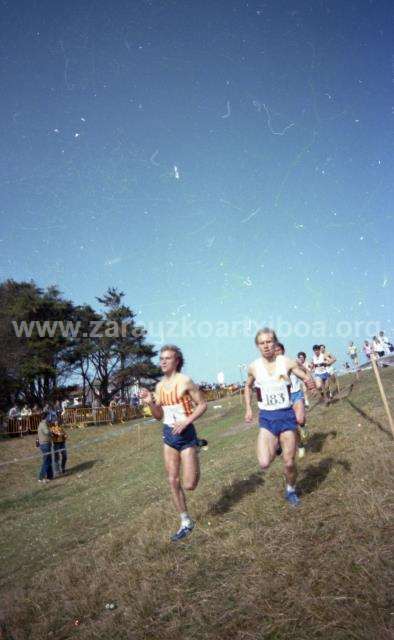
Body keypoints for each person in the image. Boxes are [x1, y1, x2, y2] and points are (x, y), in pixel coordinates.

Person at [139, 344, 207, 541]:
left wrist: (187, 420)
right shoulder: (159, 387)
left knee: (190, 484)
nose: (163, 361)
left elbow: (202, 405)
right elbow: (159, 415)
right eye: (161, 358)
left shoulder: (185, 381)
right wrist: (150, 403)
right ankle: (185, 521)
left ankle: (196, 448)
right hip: (169, 435)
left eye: (167, 358)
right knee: (172, 480)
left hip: (186, 435)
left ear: (176, 361)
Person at [244, 328, 316, 507]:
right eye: (262, 343)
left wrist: (309, 380)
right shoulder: (254, 367)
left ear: (275, 343)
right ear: (257, 346)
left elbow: (302, 374)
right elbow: (247, 387)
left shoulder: (285, 362)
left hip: (286, 416)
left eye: (269, 341)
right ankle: (275, 445)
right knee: (264, 463)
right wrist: (248, 409)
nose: (266, 345)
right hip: (267, 419)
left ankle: (290, 490)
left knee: (289, 462)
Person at [275, 343, 308, 458]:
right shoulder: (272, 367)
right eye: (275, 351)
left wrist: (309, 382)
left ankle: (303, 426)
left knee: (299, 420)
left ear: (283, 351)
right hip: (284, 399)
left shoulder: (292, 362)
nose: (277, 352)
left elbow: (305, 371)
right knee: (292, 425)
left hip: (296, 394)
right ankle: (300, 446)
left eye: (279, 350)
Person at [37, 411, 53, 483]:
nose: (50, 417)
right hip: (45, 444)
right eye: (49, 416)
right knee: (46, 461)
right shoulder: (43, 424)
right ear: (46, 416)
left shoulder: (43, 423)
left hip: (46, 443)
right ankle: (41, 477)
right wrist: (51, 431)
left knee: (49, 460)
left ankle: (50, 476)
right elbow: (46, 432)